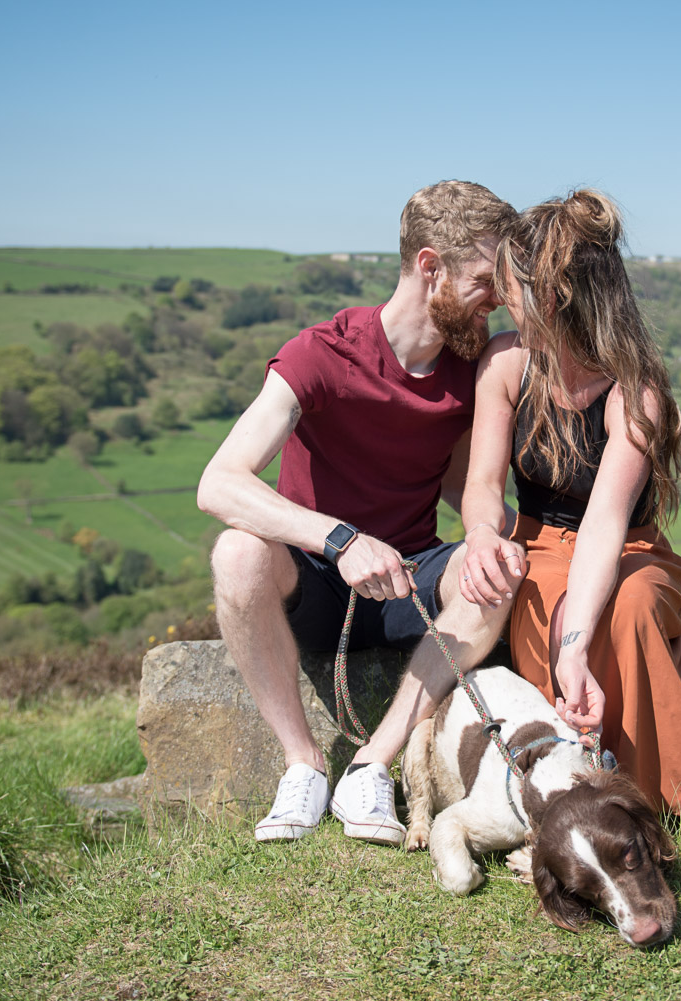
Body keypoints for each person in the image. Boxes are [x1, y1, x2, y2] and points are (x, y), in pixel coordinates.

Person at [197, 180, 526, 846]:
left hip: (409, 581)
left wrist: (498, 536)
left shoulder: (467, 370)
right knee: (235, 552)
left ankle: (372, 763)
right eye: (488, 279)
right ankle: (303, 763)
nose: (500, 297)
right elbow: (219, 482)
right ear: (429, 266)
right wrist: (340, 539)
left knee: (496, 563)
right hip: (317, 581)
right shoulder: (322, 353)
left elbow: (466, 493)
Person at [457, 190, 681, 821]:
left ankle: (668, 791)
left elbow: (606, 521)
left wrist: (575, 647)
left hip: (628, 548)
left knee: (630, 604)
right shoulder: (505, 363)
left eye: (514, 286)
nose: (502, 298)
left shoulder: (634, 391)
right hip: (537, 537)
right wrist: (478, 536)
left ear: (555, 296)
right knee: (538, 590)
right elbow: (480, 486)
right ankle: (566, 783)